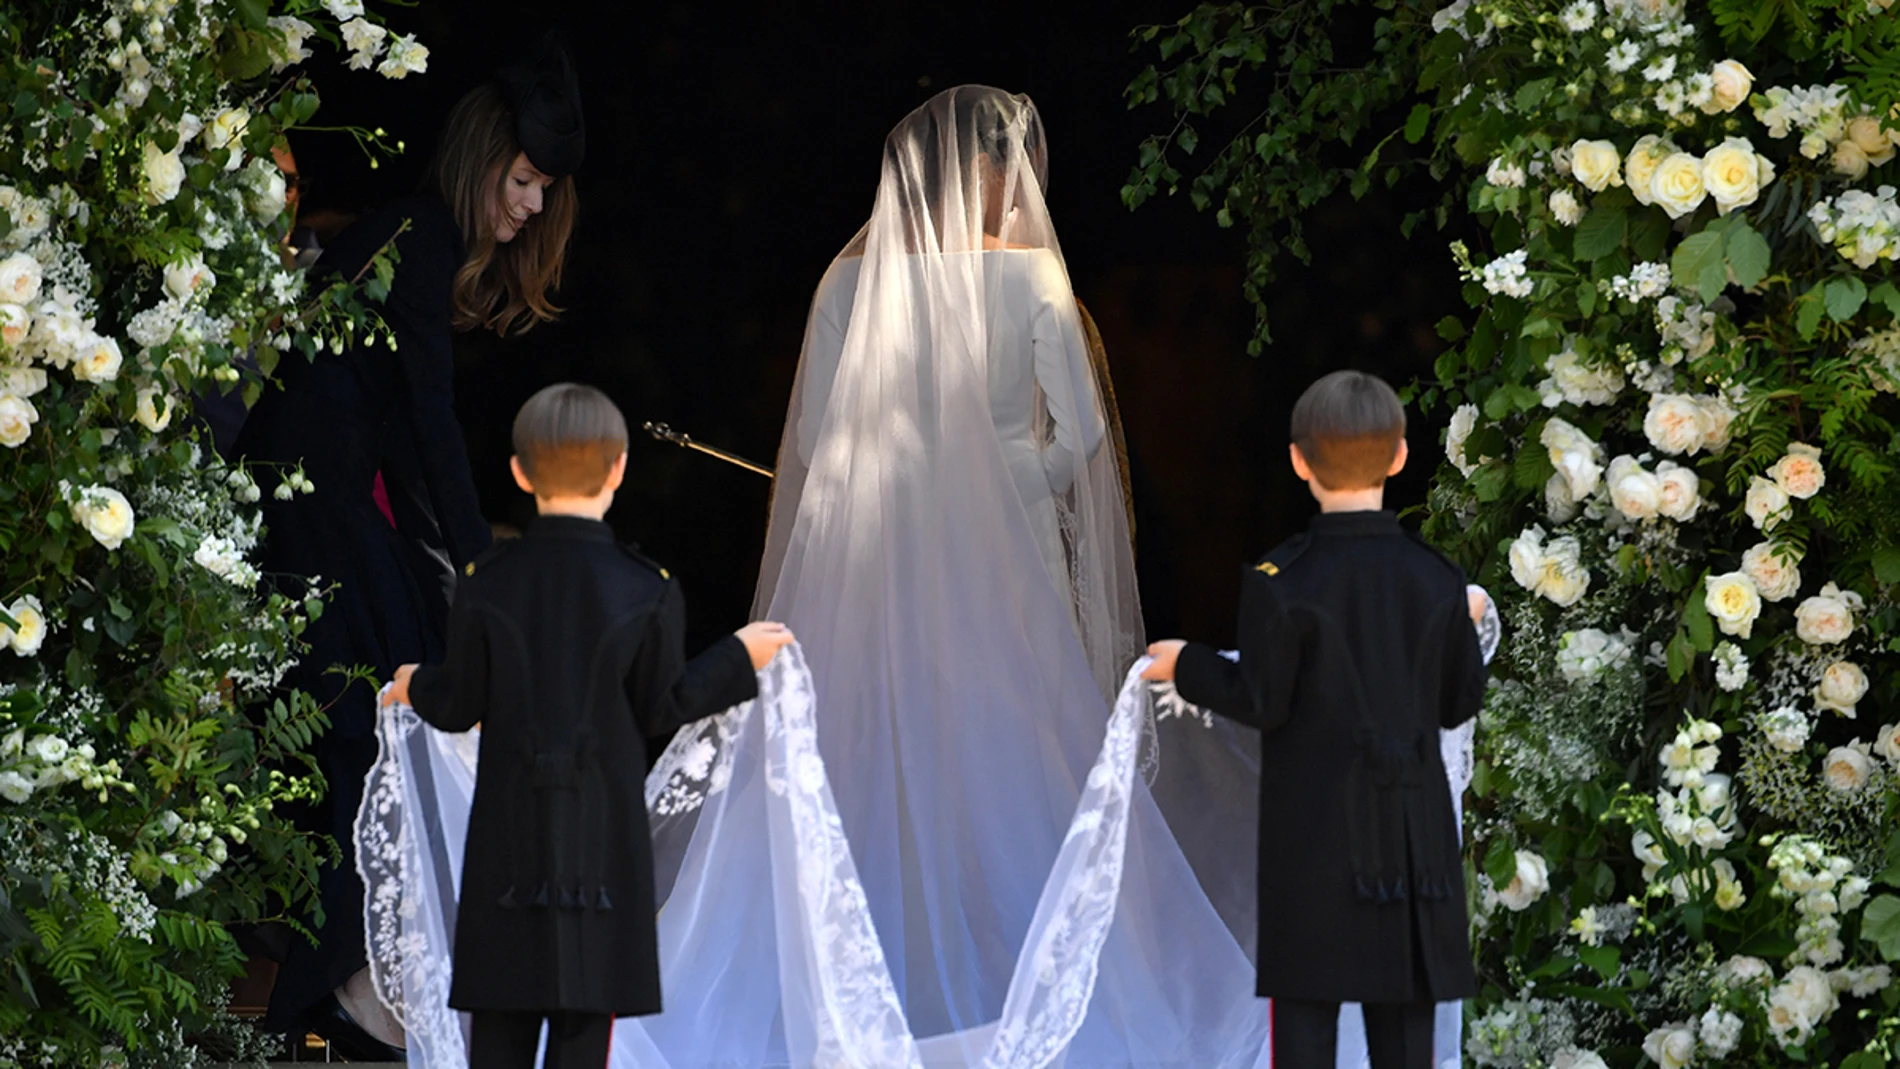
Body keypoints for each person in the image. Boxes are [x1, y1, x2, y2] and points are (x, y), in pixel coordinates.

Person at [236, 37, 585, 1057]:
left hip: (328, 514)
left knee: (382, 733)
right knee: (375, 735)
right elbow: (425, 426)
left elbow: (405, 435)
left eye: (542, 188)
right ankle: (351, 992)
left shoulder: (415, 237)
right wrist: (477, 568)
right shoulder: (418, 235)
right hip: (314, 517)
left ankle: (360, 989)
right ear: (484, 158)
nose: (527, 206)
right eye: (520, 180)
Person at [382, 384, 793, 1069]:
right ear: (620, 469)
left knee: (501, 1027)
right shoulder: (649, 585)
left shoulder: (487, 579)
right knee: (583, 1030)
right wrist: (739, 655)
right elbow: (665, 705)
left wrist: (410, 682)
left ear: (519, 471)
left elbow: (457, 704)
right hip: (601, 849)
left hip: (508, 847)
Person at [1143, 370, 1490, 1069]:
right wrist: (1466, 622)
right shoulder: (1440, 579)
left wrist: (1187, 663)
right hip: (1412, 855)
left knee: (1303, 1040)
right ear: (1399, 456)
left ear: (1300, 462)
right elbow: (1458, 703)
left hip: (1315, 854)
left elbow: (1260, 698)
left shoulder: (1282, 579)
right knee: (1405, 1046)